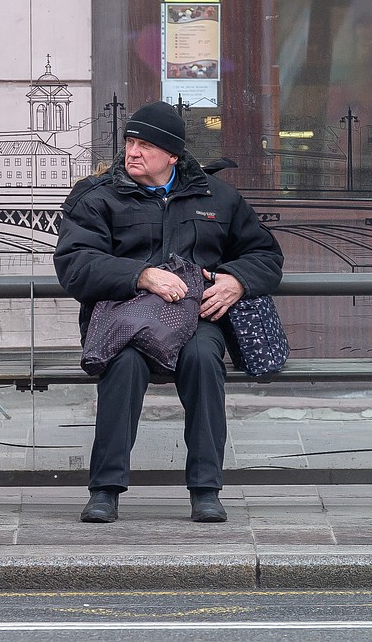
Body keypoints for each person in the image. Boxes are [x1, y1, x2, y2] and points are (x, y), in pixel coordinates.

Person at [54, 101, 283, 523]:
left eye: (145, 145)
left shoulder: (218, 197)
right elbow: (74, 263)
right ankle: (105, 489)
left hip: (194, 318)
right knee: (122, 366)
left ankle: (206, 489)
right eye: (129, 142)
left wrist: (236, 280)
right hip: (123, 318)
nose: (132, 152)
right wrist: (140, 275)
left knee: (202, 359)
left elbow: (266, 255)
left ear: (173, 155)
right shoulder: (96, 196)